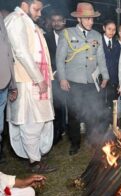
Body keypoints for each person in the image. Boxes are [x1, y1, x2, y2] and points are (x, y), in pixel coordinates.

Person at [5, 0, 56, 173]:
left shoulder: (27, 22)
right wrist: (38, 78)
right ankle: (34, 161)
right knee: (31, 122)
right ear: (24, 4)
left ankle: (37, 154)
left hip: (38, 79)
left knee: (41, 119)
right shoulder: (15, 19)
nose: (39, 13)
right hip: (28, 81)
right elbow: (21, 52)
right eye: (36, 9)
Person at [56, 2, 110, 155]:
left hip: (91, 82)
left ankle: (92, 140)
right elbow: (60, 59)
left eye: (92, 19)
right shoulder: (67, 34)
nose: (91, 22)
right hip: (73, 81)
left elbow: (101, 59)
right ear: (79, 19)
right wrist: (62, 79)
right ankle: (74, 143)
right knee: (74, 114)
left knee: (92, 113)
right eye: (87, 19)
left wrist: (105, 76)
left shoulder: (96, 35)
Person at [44, 10, 66, 145]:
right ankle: (57, 132)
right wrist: (55, 72)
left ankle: (69, 129)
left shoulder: (71, 35)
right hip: (53, 77)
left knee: (72, 105)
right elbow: (45, 58)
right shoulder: (45, 37)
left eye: (59, 20)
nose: (57, 23)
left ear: (64, 21)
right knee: (57, 105)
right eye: (54, 20)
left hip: (70, 75)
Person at [0, 13, 17, 163]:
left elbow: (8, 55)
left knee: (0, 125)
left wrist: (13, 85)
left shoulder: (2, 25)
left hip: (4, 83)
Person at [102, 20, 121, 109]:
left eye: (114, 30)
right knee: (100, 103)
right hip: (101, 79)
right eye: (109, 29)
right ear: (104, 28)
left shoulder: (117, 44)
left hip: (113, 80)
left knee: (112, 105)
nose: (112, 32)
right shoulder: (98, 42)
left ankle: (111, 122)